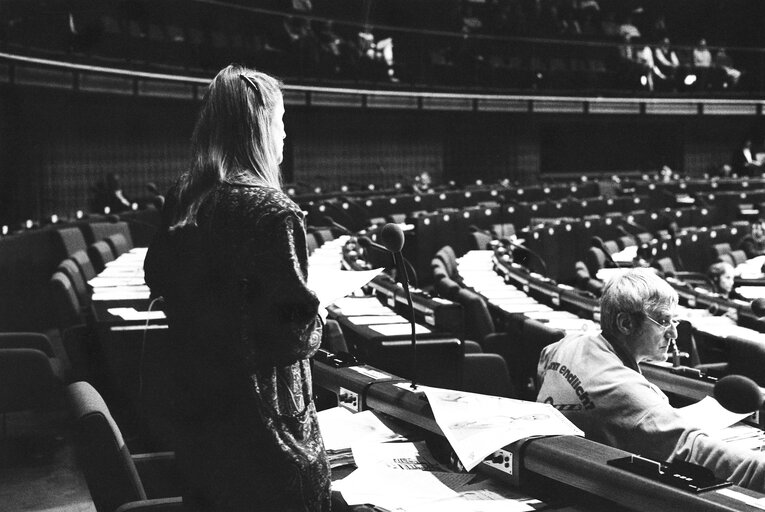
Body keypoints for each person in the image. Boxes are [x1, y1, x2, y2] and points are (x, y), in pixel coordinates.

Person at [143, 65, 331, 511]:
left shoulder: (185, 196)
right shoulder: (272, 211)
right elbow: (291, 337)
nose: (285, 133)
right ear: (260, 124)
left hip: (203, 429)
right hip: (270, 441)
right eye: (281, 120)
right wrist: (319, 316)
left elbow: (159, 277)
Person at [536, 268, 765, 492]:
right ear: (625, 324)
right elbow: (715, 460)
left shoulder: (567, 344)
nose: (674, 333)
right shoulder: (629, 395)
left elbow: (545, 364)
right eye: (664, 321)